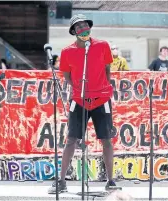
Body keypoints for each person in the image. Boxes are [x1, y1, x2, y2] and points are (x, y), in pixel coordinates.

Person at [48, 14, 116, 194]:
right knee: (71, 140)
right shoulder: (67, 51)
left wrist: (103, 88)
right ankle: (61, 181)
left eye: (85, 25)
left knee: (107, 140)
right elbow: (67, 75)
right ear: (73, 32)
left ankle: (111, 181)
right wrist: (78, 88)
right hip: (78, 100)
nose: (83, 29)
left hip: (102, 99)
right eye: (79, 27)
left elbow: (107, 69)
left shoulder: (102, 45)